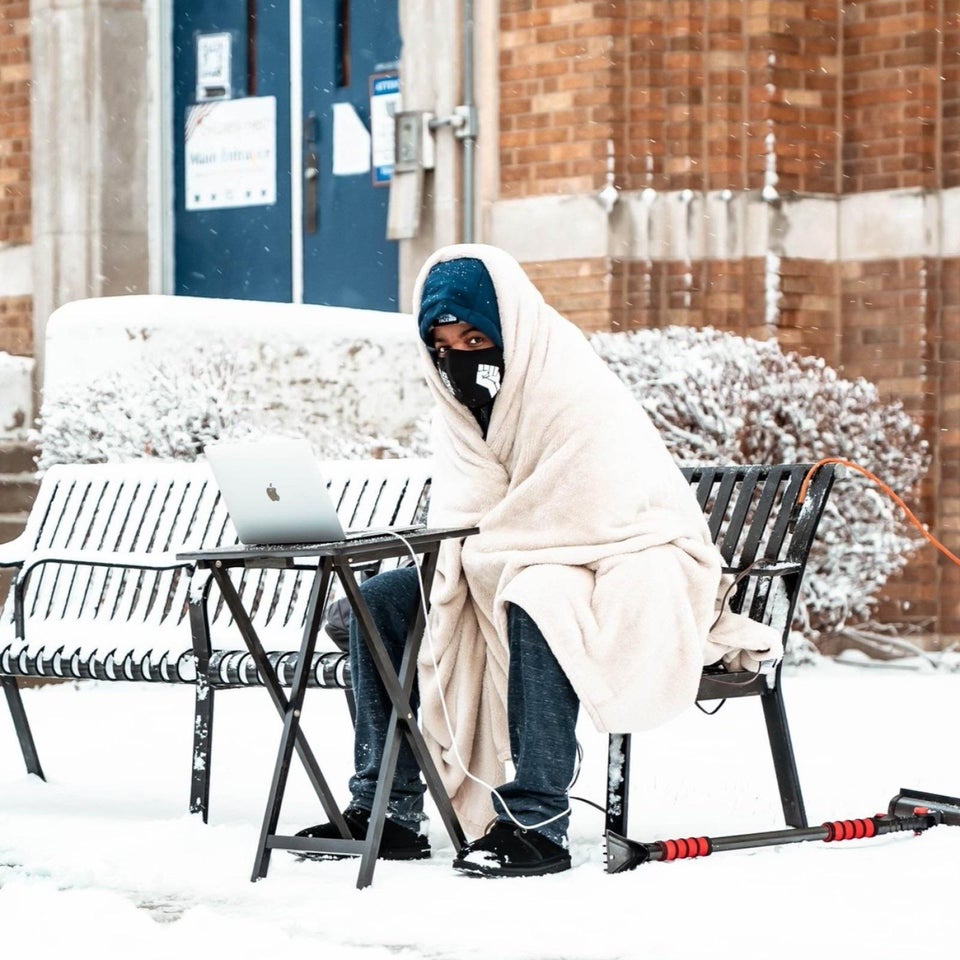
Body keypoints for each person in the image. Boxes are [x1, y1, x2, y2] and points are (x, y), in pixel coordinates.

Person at [297, 244, 778, 878]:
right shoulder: (460, 410)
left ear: (510, 330)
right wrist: (466, 556)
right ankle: (386, 809)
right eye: (442, 344)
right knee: (377, 603)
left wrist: (491, 554)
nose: (460, 357)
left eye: (476, 338)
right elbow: (469, 512)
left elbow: (587, 508)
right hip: (504, 560)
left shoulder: (569, 386)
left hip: (617, 557)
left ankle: (536, 817)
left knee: (539, 595)